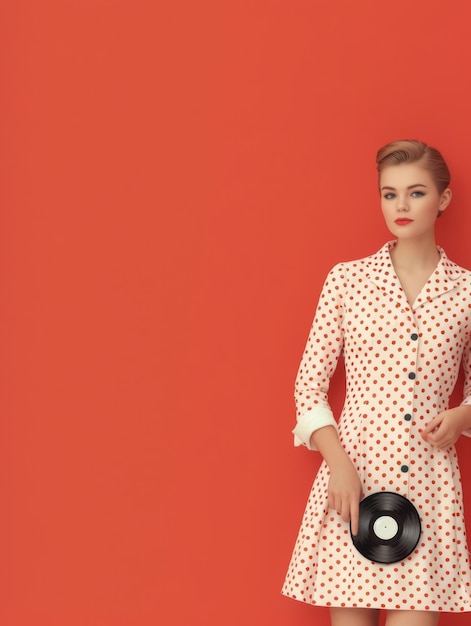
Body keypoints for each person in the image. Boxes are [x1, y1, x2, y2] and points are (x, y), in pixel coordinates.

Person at [282, 140, 471, 626]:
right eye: (389, 194)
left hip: (428, 486)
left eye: (415, 192)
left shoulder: (467, 291)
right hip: (353, 483)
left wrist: (463, 414)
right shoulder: (347, 281)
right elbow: (308, 388)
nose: (401, 206)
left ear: (443, 200)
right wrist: (339, 464)